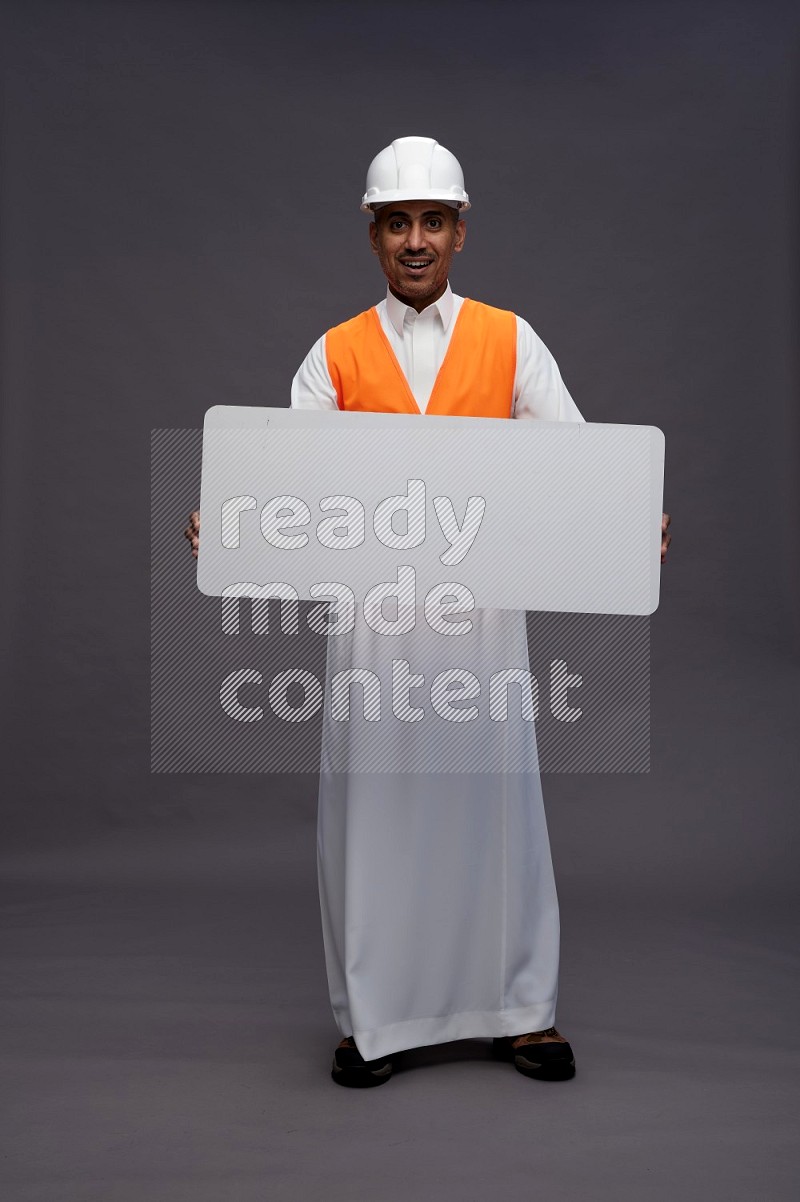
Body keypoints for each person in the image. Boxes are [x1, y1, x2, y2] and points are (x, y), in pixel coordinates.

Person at [186, 136, 671, 1089]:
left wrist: (626, 526)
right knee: (373, 818)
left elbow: (574, 466)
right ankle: (373, 1022)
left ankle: (520, 1014)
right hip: (373, 639)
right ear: (374, 235)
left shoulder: (509, 339)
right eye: (398, 223)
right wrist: (233, 526)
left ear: (460, 233)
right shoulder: (331, 357)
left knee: (496, 811)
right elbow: (294, 495)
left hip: (482, 633)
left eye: (433, 222)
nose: (416, 240)